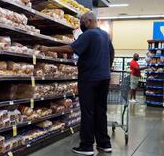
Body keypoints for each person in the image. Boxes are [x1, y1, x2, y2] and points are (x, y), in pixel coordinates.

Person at [40, 11, 114, 156]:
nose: (81, 25)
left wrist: (47, 48)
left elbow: (70, 48)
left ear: (88, 21)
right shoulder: (105, 35)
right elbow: (112, 52)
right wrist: (106, 68)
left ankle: (86, 146)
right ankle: (104, 144)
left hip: (89, 78)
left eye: (82, 22)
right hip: (104, 78)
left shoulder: (88, 35)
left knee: (87, 112)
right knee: (100, 111)